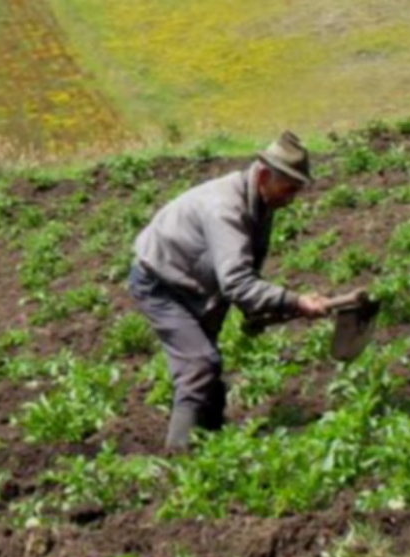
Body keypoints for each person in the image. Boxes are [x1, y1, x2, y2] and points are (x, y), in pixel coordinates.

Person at [129, 131, 330, 450]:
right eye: (289, 188)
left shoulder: (260, 200)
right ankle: (179, 459)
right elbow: (236, 282)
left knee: (206, 365)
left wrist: (264, 309)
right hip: (160, 281)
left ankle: (214, 443)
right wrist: (294, 301)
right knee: (199, 364)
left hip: (198, 280)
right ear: (265, 175)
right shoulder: (226, 208)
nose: (292, 198)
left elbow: (247, 265)